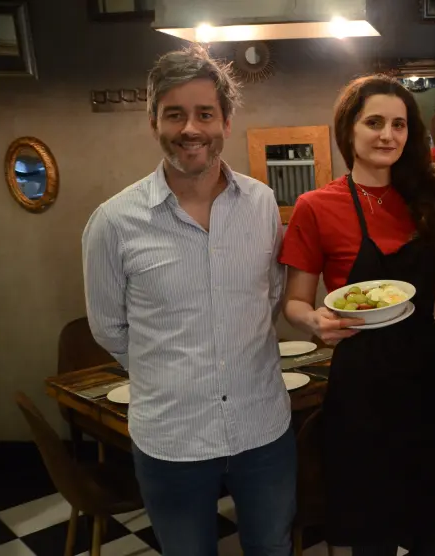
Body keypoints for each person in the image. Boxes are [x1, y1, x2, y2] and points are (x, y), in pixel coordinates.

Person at [82, 46, 295, 556]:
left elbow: (270, 293)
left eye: (204, 113)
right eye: (174, 114)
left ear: (226, 119)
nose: (190, 128)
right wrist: (171, 373)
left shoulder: (262, 204)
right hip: (172, 438)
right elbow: (108, 328)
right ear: (153, 120)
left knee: (272, 549)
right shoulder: (113, 223)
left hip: (262, 427)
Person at [279, 74, 435, 555]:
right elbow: (295, 303)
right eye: (374, 122)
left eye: (399, 125)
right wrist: (314, 322)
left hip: (426, 377)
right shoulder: (315, 207)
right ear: (349, 130)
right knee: (373, 534)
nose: (388, 135)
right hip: (362, 387)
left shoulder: (428, 199)